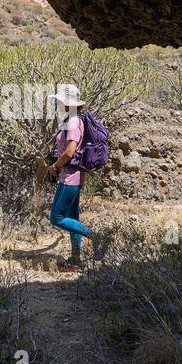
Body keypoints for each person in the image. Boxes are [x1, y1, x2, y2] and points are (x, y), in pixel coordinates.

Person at [46, 84, 106, 272]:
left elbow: (70, 151)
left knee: (56, 217)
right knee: (72, 216)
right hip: (75, 176)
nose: (58, 103)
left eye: (60, 100)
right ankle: (75, 260)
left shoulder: (72, 122)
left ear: (67, 102)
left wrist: (55, 166)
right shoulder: (74, 119)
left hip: (69, 177)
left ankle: (98, 237)